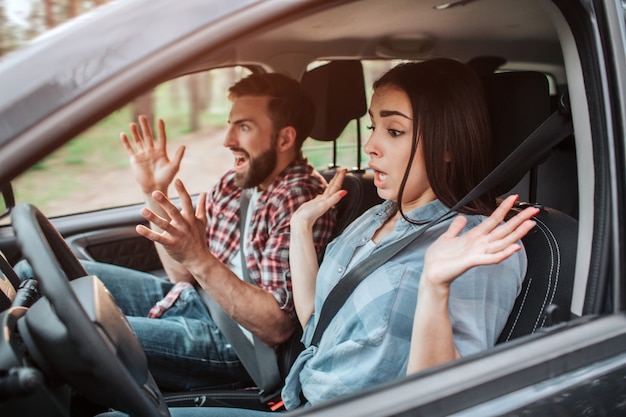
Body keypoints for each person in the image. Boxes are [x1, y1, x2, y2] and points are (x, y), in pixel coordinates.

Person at [97, 58, 539, 417]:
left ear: (448, 143)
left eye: (395, 131)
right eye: (373, 128)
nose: (371, 147)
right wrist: (299, 230)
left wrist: (434, 287)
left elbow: (441, 402)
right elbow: (314, 323)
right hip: (302, 397)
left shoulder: (480, 248)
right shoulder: (379, 216)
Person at [16, 72, 337, 392]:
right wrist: (155, 189)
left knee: (64, 334)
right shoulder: (236, 183)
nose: (227, 140)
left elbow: (275, 327)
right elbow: (181, 274)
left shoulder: (301, 198)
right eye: (231, 124)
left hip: (235, 342)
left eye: (244, 126)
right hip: (194, 298)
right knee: (33, 272)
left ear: (284, 139)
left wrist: (200, 257)